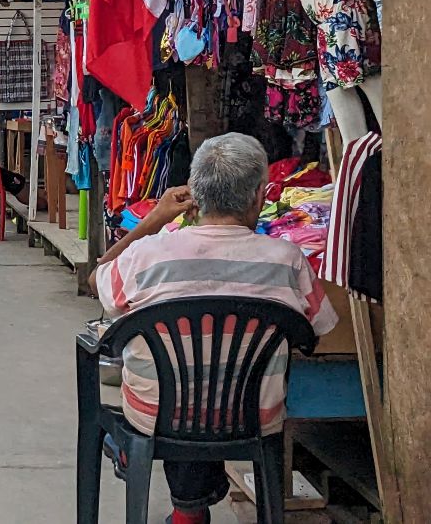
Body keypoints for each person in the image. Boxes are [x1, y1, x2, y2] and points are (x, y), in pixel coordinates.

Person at [90, 133, 338, 524]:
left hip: (157, 415)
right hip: (253, 416)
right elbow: (319, 330)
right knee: (215, 392)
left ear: (195, 195)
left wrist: (154, 219)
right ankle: (190, 508)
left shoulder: (147, 254)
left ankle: (186, 507)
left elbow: (98, 278)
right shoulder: (287, 260)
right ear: (259, 195)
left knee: (185, 391)